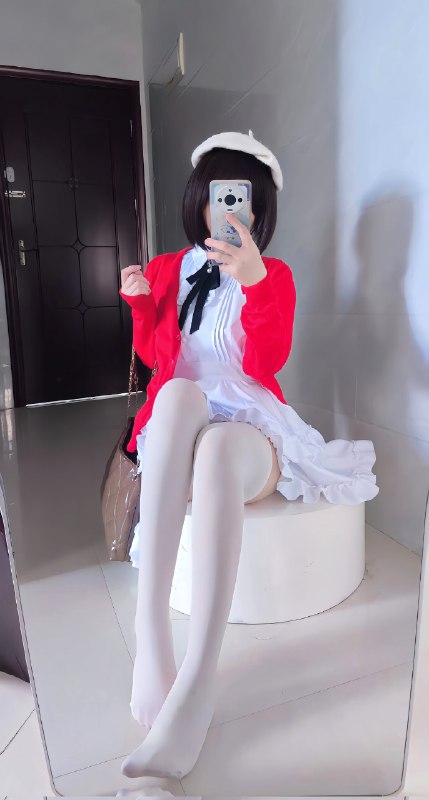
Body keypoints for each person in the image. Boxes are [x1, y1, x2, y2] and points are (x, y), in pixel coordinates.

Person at [118, 130, 379, 780]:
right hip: (179, 423)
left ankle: (197, 680)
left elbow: (265, 364)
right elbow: (155, 357)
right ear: (198, 201)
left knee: (215, 451)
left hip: (247, 431)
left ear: (259, 210)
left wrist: (256, 284)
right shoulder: (168, 269)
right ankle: (151, 636)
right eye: (220, 197)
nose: (231, 211)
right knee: (178, 394)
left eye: (244, 200)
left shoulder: (273, 274)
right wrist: (140, 303)